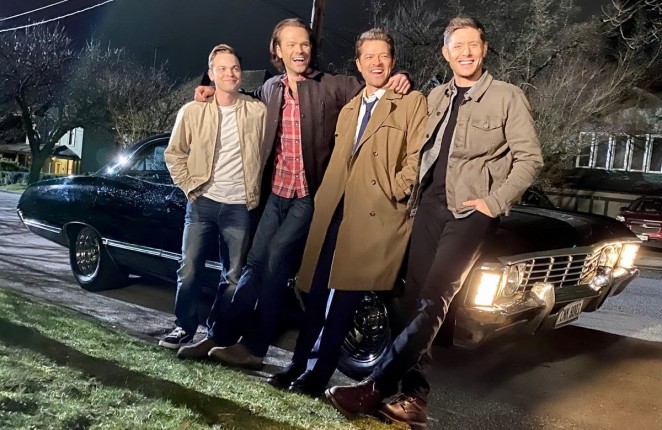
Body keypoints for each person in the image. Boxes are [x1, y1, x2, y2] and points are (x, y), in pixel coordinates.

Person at [325, 16, 544, 429]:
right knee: (412, 303)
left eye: (473, 44)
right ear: (445, 53)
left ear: (484, 49)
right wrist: (402, 79)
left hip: (470, 213)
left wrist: (494, 202)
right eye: (457, 46)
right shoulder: (438, 95)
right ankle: (414, 398)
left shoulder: (507, 96)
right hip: (426, 207)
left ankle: (375, 387)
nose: (466, 52)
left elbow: (530, 159)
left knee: (435, 298)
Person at [176, 18, 411, 365]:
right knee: (254, 264)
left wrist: (400, 76)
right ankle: (219, 334)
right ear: (278, 50)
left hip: (308, 196)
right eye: (291, 44)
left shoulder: (332, 85)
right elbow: (242, 98)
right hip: (276, 193)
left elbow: (373, 82)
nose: (300, 50)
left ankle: (255, 348)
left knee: (275, 261)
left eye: (305, 44)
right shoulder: (270, 89)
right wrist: (210, 90)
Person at [265, 28, 427, 397]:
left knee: (345, 299)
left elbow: (418, 156)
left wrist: (396, 190)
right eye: (369, 56)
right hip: (334, 209)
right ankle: (297, 364)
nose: (376, 62)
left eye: (383, 56)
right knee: (316, 292)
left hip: (373, 213)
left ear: (393, 61)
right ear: (358, 63)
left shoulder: (411, 102)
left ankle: (318, 375)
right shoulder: (350, 107)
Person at [159, 44, 268, 349]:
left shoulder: (257, 111)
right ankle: (183, 327)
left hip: (240, 205)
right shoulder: (192, 111)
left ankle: (216, 334)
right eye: (222, 68)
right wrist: (188, 186)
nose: (229, 73)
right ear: (211, 74)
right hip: (202, 202)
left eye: (234, 68)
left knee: (232, 277)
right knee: (189, 268)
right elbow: (174, 153)